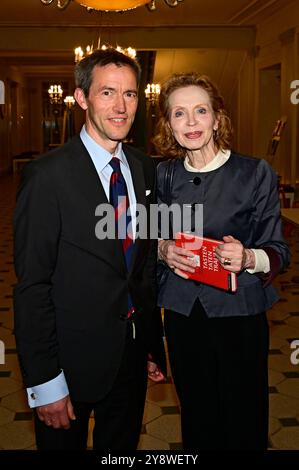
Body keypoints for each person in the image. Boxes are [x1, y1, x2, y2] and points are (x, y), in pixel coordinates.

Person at [13, 47, 166, 451]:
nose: (121, 106)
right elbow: (33, 286)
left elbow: (141, 267)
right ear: (82, 98)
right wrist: (45, 383)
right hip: (69, 363)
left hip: (130, 359)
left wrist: (149, 344)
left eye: (130, 94)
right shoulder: (47, 176)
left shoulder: (145, 168)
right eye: (107, 93)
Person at [154, 72, 290, 450]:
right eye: (179, 114)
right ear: (169, 124)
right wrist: (162, 250)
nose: (192, 122)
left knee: (244, 417)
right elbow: (149, 236)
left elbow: (279, 251)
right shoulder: (164, 175)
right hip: (183, 316)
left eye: (201, 110)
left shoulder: (253, 172)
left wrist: (248, 257)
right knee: (197, 415)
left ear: (217, 117)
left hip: (240, 316)